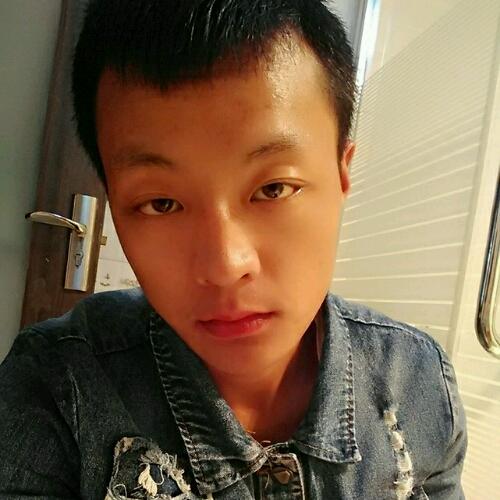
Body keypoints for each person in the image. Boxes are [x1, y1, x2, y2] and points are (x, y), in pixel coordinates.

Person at [0, 1, 467, 498]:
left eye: (273, 189)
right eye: (162, 203)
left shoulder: (417, 384)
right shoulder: (54, 389)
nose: (225, 265)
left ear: (342, 172)